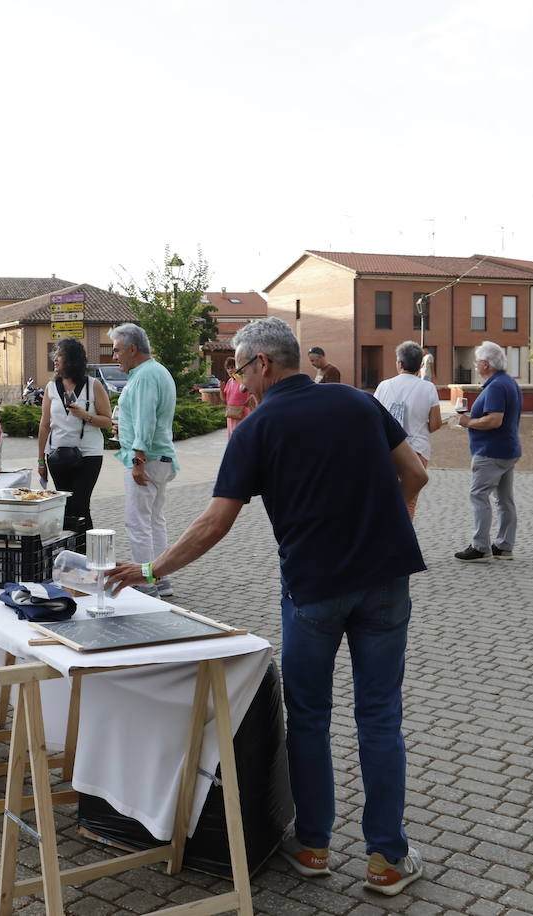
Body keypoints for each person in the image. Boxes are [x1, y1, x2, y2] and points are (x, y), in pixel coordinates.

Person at [105, 317, 429, 897]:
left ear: (263, 365)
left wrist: (151, 570)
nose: (237, 380)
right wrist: (401, 513)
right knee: (380, 718)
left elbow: (213, 523)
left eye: (238, 367)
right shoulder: (358, 403)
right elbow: (417, 472)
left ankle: (313, 844)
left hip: (313, 589)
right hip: (385, 580)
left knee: (309, 717)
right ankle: (386, 857)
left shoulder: (258, 429)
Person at [108, 323, 178, 598]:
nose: (114, 357)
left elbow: (146, 421)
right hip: (159, 457)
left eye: (116, 351)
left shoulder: (145, 376)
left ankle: (146, 585)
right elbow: (142, 418)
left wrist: (137, 459)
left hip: (146, 459)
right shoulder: (154, 372)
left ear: (133, 349)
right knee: (154, 520)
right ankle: (161, 578)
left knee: (138, 522)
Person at [455, 341, 522, 561]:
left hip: (490, 451)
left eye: (476, 362)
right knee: (504, 500)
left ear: (485, 364)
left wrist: (468, 422)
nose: (474, 365)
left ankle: (480, 546)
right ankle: (504, 546)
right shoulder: (508, 382)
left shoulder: (495, 386)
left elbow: (494, 420)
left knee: (479, 495)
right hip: (507, 449)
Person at [36, 339, 113, 531]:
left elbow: (107, 421)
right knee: (64, 507)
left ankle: (86, 555)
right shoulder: (51, 387)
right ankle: (69, 553)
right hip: (58, 455)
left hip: (88, 455)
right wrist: (40, 461)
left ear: (72, 359)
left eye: (59, 354)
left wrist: (85, 415)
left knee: (80, 505)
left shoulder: (92, 385)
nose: (55, 359)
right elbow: (45, 425)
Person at [373, 341, 442, 518]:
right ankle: (403, 541)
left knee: (384, 496)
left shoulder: (383, 386)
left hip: (388, 449)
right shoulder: (428, 388)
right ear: (420, 365)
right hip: (417, 450)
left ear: (400, 363)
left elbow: (375, 420)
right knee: (408, 502)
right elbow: (435, 424)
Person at [221, 357, 255, 436]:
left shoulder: (244, 380)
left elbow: (253, 393)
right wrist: (221, 391)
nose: (230, 370)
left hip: (243, 413)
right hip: (231, 414)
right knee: (232, 436)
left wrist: (247, 402)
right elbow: (224, 400)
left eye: (232, 367)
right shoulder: (229, 381)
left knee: (242, 436)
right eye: (228, 368)